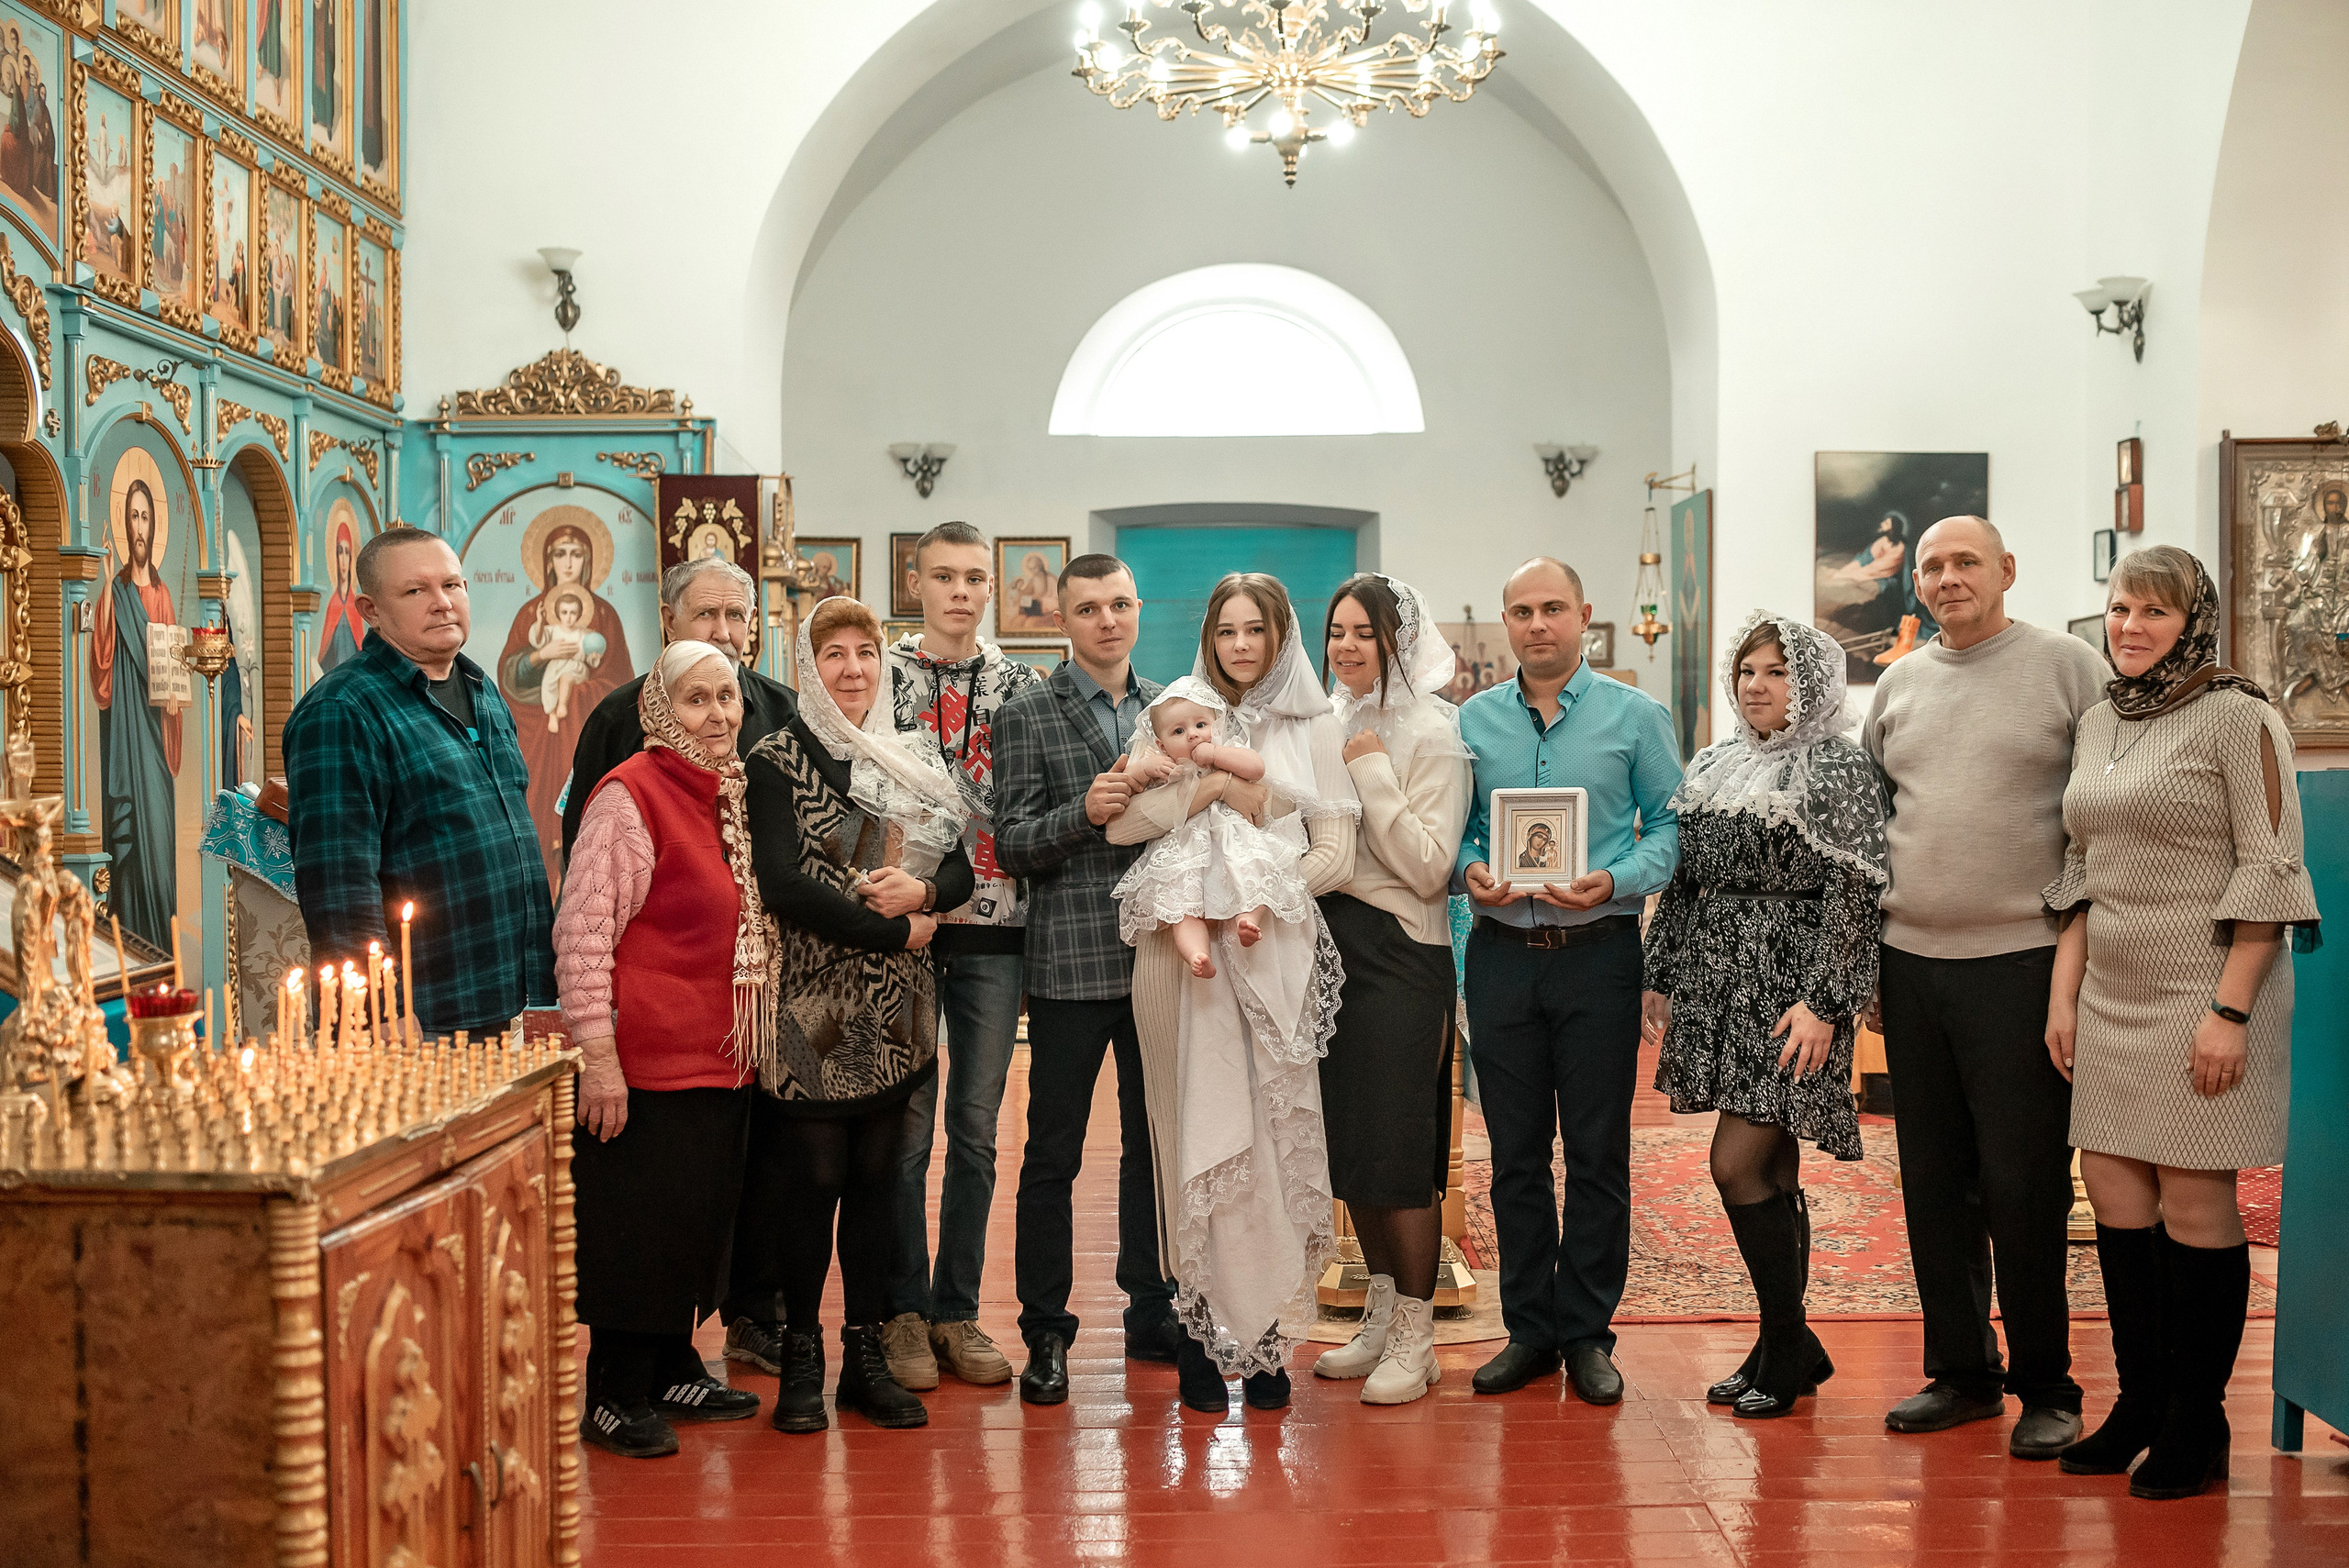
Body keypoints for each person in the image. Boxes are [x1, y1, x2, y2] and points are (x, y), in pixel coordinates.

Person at [2043, 546, 2319, 1499]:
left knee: (2196, 1203)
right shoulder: (2100, 719)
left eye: (2154, 611)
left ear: (2192, 621)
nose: (2130, 626)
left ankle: (2196, 1421)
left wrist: (2229, 1011)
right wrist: (2063, 995)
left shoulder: (2242, 716)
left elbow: (2271, 868)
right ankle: (2140, 1403)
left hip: (2205, 991)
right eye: (2120, 607)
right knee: (2114, 1189)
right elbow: (2082, 870)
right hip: (2110, 993)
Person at [1860, 514, 2109, 1460]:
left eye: (1966, 561)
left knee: (2023, 1185)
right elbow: (1872, 825)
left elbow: (2099, 822)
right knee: (1933, 1182)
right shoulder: (1899, 683)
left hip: (2022, 962)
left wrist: (2074, 970)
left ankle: (2048, 1383)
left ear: (2006, 568)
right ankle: (1962, 1373)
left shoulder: (2066, 669)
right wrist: (1870, 958)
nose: (1947, 577)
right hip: (1912, 963)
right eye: (1931, 566)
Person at [1114, 573, 1354, 1414]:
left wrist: (1254, 892)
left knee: (1270, 1147)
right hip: (1180, 964)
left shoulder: (1315, 727)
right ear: (1208, 638)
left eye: (1257, 629)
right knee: (1185, 1139)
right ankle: (1194, 1334)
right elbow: (1124, 824)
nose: (1241, 645)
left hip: (1269, 950)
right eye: (1226, 630)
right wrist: (1213, 787)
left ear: (1283, 634)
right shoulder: (1180, 717)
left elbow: (1334, 853)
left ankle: (1267, 1340)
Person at [733, 596, 974, 1434]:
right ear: (809, 665)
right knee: (812, 1182)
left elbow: (961, 867)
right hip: (814, 1006)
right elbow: (784, 882)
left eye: (865, 652)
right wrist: (897, 927)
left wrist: (927, 892)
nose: (852, 668)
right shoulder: (777, 756)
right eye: (832, 653)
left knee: (878, 1185)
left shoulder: (909, 751)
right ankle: (803, 1354)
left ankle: (865, 1357)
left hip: (900, 1008)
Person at [1642, 611, 1887, 1418]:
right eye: (1747, 670)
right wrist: (1660, 974)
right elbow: (1684, 880)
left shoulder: (1839, 768)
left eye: (1777, 671)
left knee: (1735, 1164)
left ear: (1809, 683)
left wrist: (1826, 1002)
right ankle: (1784, 1344)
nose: (1756, 684)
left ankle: (1787, 1343)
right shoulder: (1715, 761)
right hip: (1720, 982)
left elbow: (1856, 891)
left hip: (1794, 992)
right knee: (1775, 1170)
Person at [1456, 556, 1681, 1404]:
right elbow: (1457, 829)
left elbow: (1672, 828)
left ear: (1584, 615)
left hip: (1599, 953)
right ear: (1506, 623)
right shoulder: (1472, 722)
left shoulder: (1636, 715)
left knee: (1595, 1152)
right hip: (1502, 956)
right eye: (1522, 611)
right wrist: (1472, 869)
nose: (1538, 623)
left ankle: (1587, 1332)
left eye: (1553, 607)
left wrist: (1615, 879)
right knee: (1514, 1155)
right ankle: (1529, 1330)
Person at [555, 640, 770, 1457]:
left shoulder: (728, 789)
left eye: (728, 697)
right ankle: (614, 1391)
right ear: (658, 710)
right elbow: (582, 936)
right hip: (648, 1064)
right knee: (638, 1236)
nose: (718, 715)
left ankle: (673, 1366)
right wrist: (598, 1058)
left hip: (720, 1056)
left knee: (693, 1227)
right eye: (696, 699)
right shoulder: (630, 796)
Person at [992, 554, 1186, 1406]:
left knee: (1154, 1145)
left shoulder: (1170, 708)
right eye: (1088, 608)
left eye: (1119, 604)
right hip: (1070, 965)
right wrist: (1085, 812)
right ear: (1060, 620)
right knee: (1052, 1154)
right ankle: (1045, 1330)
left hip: (1159, 961)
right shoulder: (1027, 711)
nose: (1107, 620)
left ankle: (1152, 1306)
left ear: (1138, 608)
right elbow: (1010, 842)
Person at [880, 521, 1042, 1393]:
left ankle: (957, 1310)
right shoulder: (880, 675)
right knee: (906, 1134)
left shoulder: (1023, 684)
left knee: (975, 1131)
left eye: (975, 577)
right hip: (905, 928)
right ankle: (903, 1312)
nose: (960, 591)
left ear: (991, 586)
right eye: (943, 576)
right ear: (917, 582)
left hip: (994, 927)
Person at [285, 526, 554, 1038]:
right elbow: (337, 884)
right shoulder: (342, 709)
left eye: (452, 585)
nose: (442, 603)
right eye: (415, 590)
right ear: (371, 610)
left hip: (507, 999)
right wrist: (374, 1011)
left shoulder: (482, 689)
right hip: (418, 1017)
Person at [1311, 574, 1473, 1407]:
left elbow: (1428, 867)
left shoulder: (1435, 733)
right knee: (1355, 1148)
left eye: (1364, 632)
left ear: (1398, 641)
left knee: (1401, 1150)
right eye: (1337, 631)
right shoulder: (1326, 720)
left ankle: (1419, 1335)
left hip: (1402, 954)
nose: (1346, 646)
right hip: (1331, 948)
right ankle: (1380, 1316)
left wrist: (1372, 772)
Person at [560, 555, 794, 862]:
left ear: (751, 619)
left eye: (735, 615)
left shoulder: (786, 713)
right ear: (670, 621)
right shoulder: (615, 718)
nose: (723, 633)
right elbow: (583, 845)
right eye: (706, 614)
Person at [495, 520, 636, 892]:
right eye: (561, 554)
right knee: (536, 816)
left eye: (576, 554)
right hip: (538, 735)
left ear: (588, 561)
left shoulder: (603, 615)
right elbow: (509, 678)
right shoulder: (532, 613)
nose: (569, 562)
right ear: (548, 561)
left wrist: (575, 692)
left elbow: (621, 683)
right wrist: (542, 655)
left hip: (584, 733)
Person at [1115, 684, 1286, 975]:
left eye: (1201, 725)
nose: (1193, 735)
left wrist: (1216, 754)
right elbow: (1128, 788)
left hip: (1232, 841)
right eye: (1178, 731)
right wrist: (1144, 769)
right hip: (1185, 852)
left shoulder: (1227, 749)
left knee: (1255, 878)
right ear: (1162, 745)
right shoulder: (1165, 765)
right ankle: (1197, 954)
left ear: (1216, 726)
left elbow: (1256, 768)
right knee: (1182, 909)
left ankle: (1248, 920)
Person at [93, 475, 182, 947]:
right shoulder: (119, 590)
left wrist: (176, 696)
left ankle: (164, 945)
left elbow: (174, 668)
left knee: (160, 843)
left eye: (146, 517)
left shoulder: (162, 596)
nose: (141, 527)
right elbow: (102, 668)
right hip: (126, 741)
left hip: (155, 739)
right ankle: (131, 944)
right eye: (133, 516)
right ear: (125, 526)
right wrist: (108, 583)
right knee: (126, 845)